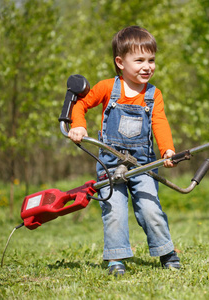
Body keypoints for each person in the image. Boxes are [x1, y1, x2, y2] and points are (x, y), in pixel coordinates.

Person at [68, 26, 180, 276]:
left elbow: (160, 123)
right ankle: (116, 259)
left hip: (142, 165)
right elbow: (81, 104)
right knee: (115, 210)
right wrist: (78, 126)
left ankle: (166, 252)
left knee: (150, 207)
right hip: (109, 163)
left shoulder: (153, 94)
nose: (147, 66)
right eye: (139, 60)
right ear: (120, 62)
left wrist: (167, 151)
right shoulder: (108, 87)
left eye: (151, 60)